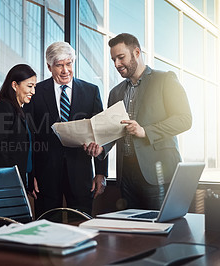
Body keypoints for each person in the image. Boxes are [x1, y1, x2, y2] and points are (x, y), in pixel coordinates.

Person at [85, 33, 192, 210]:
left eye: (121, 57)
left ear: (136, 52)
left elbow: (185, 119)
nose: (117, 64)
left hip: (157, 173)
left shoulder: (165, 79)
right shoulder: (115, 92)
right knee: (133, 233)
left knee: (159, 230)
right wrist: (101, 147)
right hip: (126, 175)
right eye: (113, 60)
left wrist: (146, 131)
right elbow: (114, 130)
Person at [24, 41, 108, 217]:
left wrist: (101, 172)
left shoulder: (91, 91)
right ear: (49, 66)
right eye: (59, 65)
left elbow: (101, 132)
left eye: (69, 64)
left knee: (82, 226)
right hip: (45, 175)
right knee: (46, 227)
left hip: (80, 173)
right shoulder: (35, 92)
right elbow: (29, 136)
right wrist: (30, 175)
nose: (65, 70)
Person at [0, 64, 36, 189]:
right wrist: (11, 181)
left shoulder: (20, 111)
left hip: (17, 179)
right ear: (14, 85)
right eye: (29, 86)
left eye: (34, 86)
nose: (33, 91)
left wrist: (29, 178)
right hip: (4, 182)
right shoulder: (3, 108)